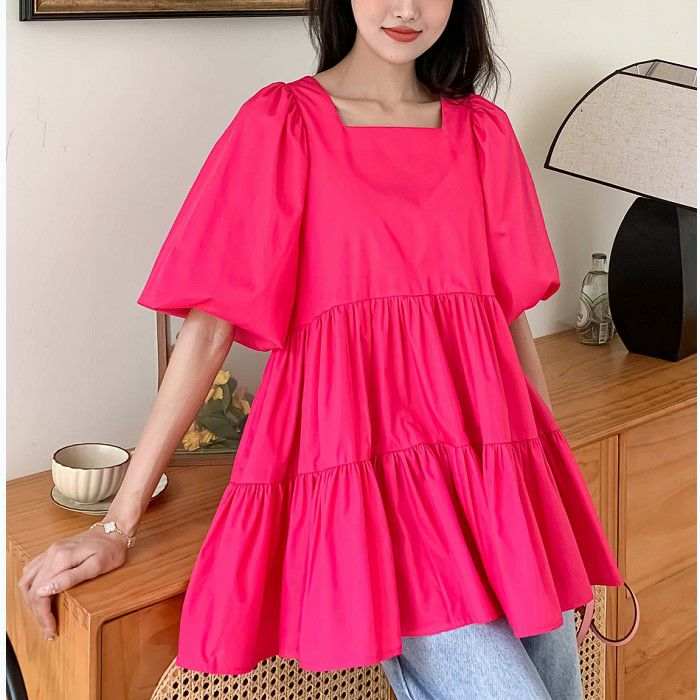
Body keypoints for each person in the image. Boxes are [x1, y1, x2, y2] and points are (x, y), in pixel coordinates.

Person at [18, 0, 624, 697]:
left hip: (495, 475)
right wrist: (117, 524)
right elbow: (208, 328)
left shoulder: (483, 132)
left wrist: (551, 503)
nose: (406, 8)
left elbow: (506, 319)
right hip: (380, 481)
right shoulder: (283, 125)